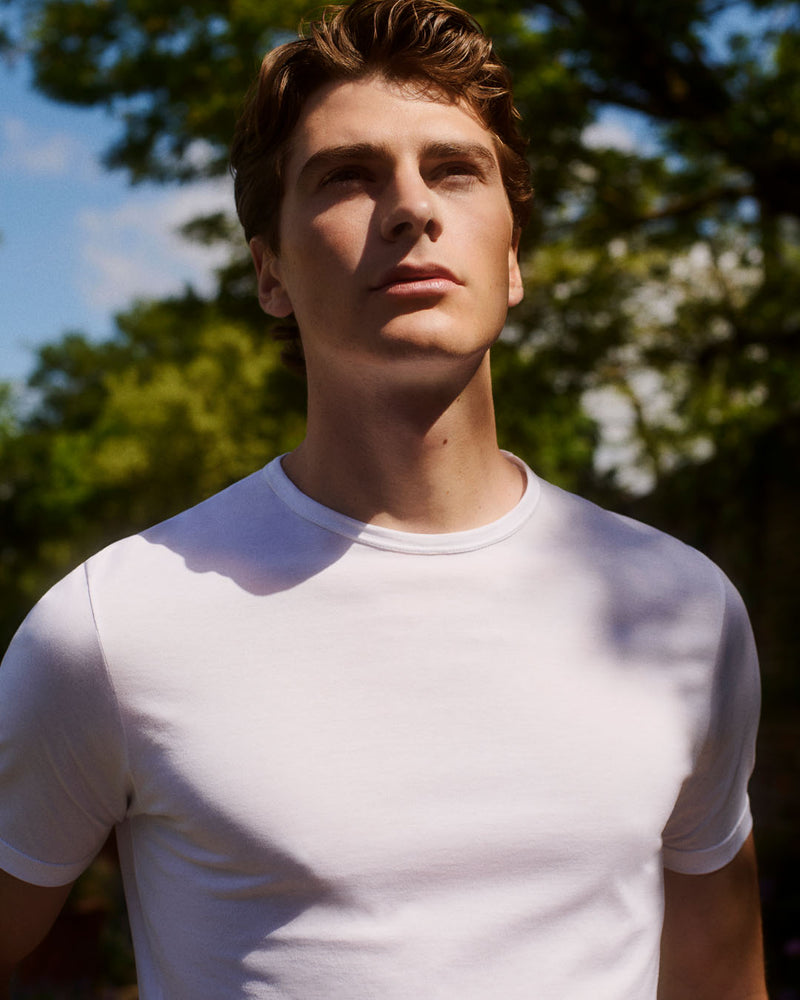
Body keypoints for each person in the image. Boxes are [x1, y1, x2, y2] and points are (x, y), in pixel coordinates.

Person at [0, 0, 767, 997]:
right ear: (270, 272)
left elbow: (718, 975)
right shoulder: (111, 626)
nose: (411, 208)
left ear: (512, 258)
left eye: (454, 169)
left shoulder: (681, 607)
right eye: (348, 176)